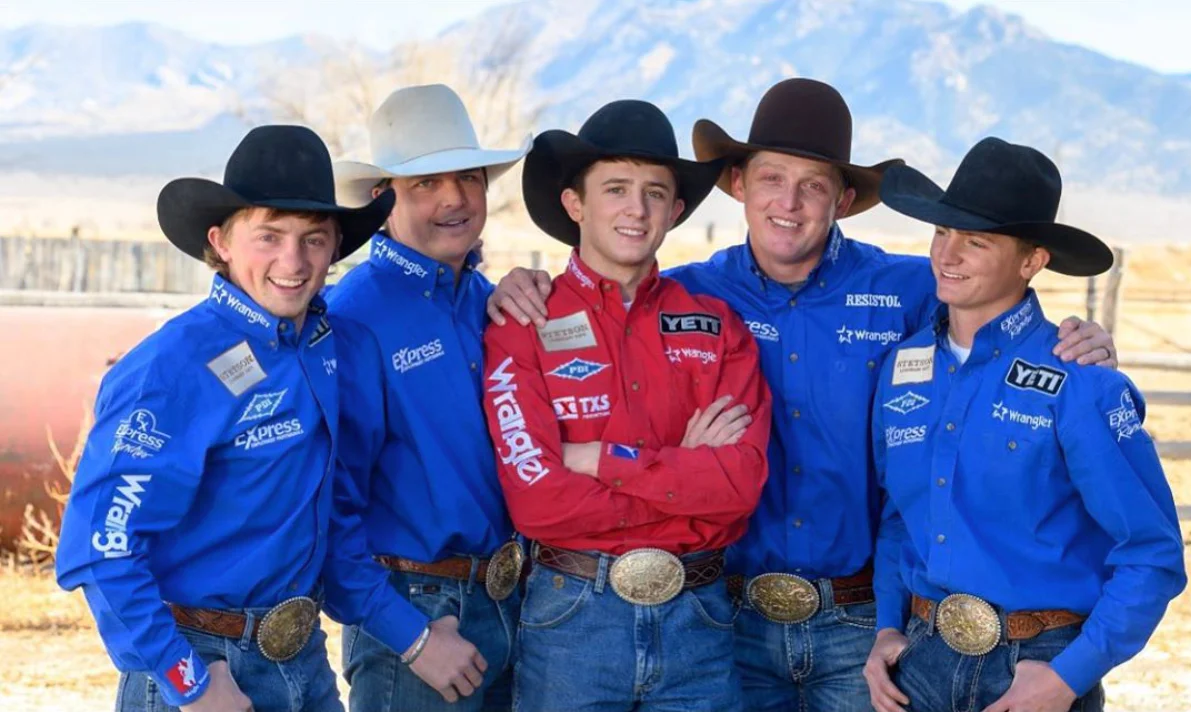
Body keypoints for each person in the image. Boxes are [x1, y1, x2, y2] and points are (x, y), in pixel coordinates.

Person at [487, 78, 1120, 711]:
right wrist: (517, 287)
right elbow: (608, 294)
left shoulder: (908, 290)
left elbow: (996, 306)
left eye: (813, 185)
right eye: (770, 179)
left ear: (843, 199)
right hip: (724, 618)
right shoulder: (692, 299)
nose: (788, 203)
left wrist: (1080, 341)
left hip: (861, 624)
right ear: (738, 185)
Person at [55, 125, 401, 711]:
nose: (292, 261)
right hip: (203, 668)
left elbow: (333, 514)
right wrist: (187, 681)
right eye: (269, 236)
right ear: (221, 241)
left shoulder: (327, 347)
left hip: (303, 659)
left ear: (336, 246)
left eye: (313, 239)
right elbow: (102, 545)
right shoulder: (171, 368)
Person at [864, 137, 1186, 712]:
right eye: (942, 233)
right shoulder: (901, 368)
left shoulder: (1083, 383)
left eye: (976, 241)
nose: (947, 255)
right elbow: (897, 519)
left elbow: (1151, 554)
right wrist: (888, 627)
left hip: (1035, 668)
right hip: (921, 664)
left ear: (1032, 260)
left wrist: (1068, 678)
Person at [482, 99, 771, 712]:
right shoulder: (522, 322)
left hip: (699, 621)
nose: (636, 210)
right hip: (572, 621)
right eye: (615, 189)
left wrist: (597, 458)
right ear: (575, 204)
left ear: (677, 209)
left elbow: (739, 488)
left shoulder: (719, 328)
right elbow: (537, 499)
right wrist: (684, 469)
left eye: (655, 193)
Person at [324, 83, 532, 711]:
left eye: (468, 178)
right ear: (382, 199)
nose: (455, 199)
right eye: (425, 185)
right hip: (417, 622)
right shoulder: (355, 318)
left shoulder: (488, 300)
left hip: (511, 607)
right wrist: (410, 638)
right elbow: (329, 506)